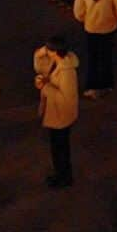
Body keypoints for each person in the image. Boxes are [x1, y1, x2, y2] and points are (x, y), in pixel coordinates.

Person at [33, 35, 79, 189]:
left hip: (61, 116)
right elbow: (39, 66)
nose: (46, 52)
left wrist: (44, 87)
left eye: (49, 49)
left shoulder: (67, 73)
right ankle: (60, 174)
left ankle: (64, 177)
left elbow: (65, 98)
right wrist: (41, 52)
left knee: (60, 149)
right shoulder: (58, 63)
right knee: (57, 147)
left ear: (55, 52)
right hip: (55, 114)